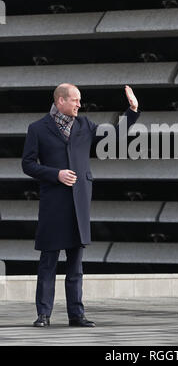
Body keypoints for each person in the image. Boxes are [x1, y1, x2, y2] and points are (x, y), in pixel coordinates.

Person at [22, 83, 139, 327]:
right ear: (60, 101)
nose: (79, 104)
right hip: (53, 203)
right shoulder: (37, 129)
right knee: (48, 262)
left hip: (79, 203)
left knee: (75, 263)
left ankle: (76, 315)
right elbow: (28, 164)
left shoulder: (85, 125)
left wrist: (132, 110)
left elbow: (113, 137)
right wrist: (56, 174)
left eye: (79, 100)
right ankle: (43, 315)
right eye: (75, 100)